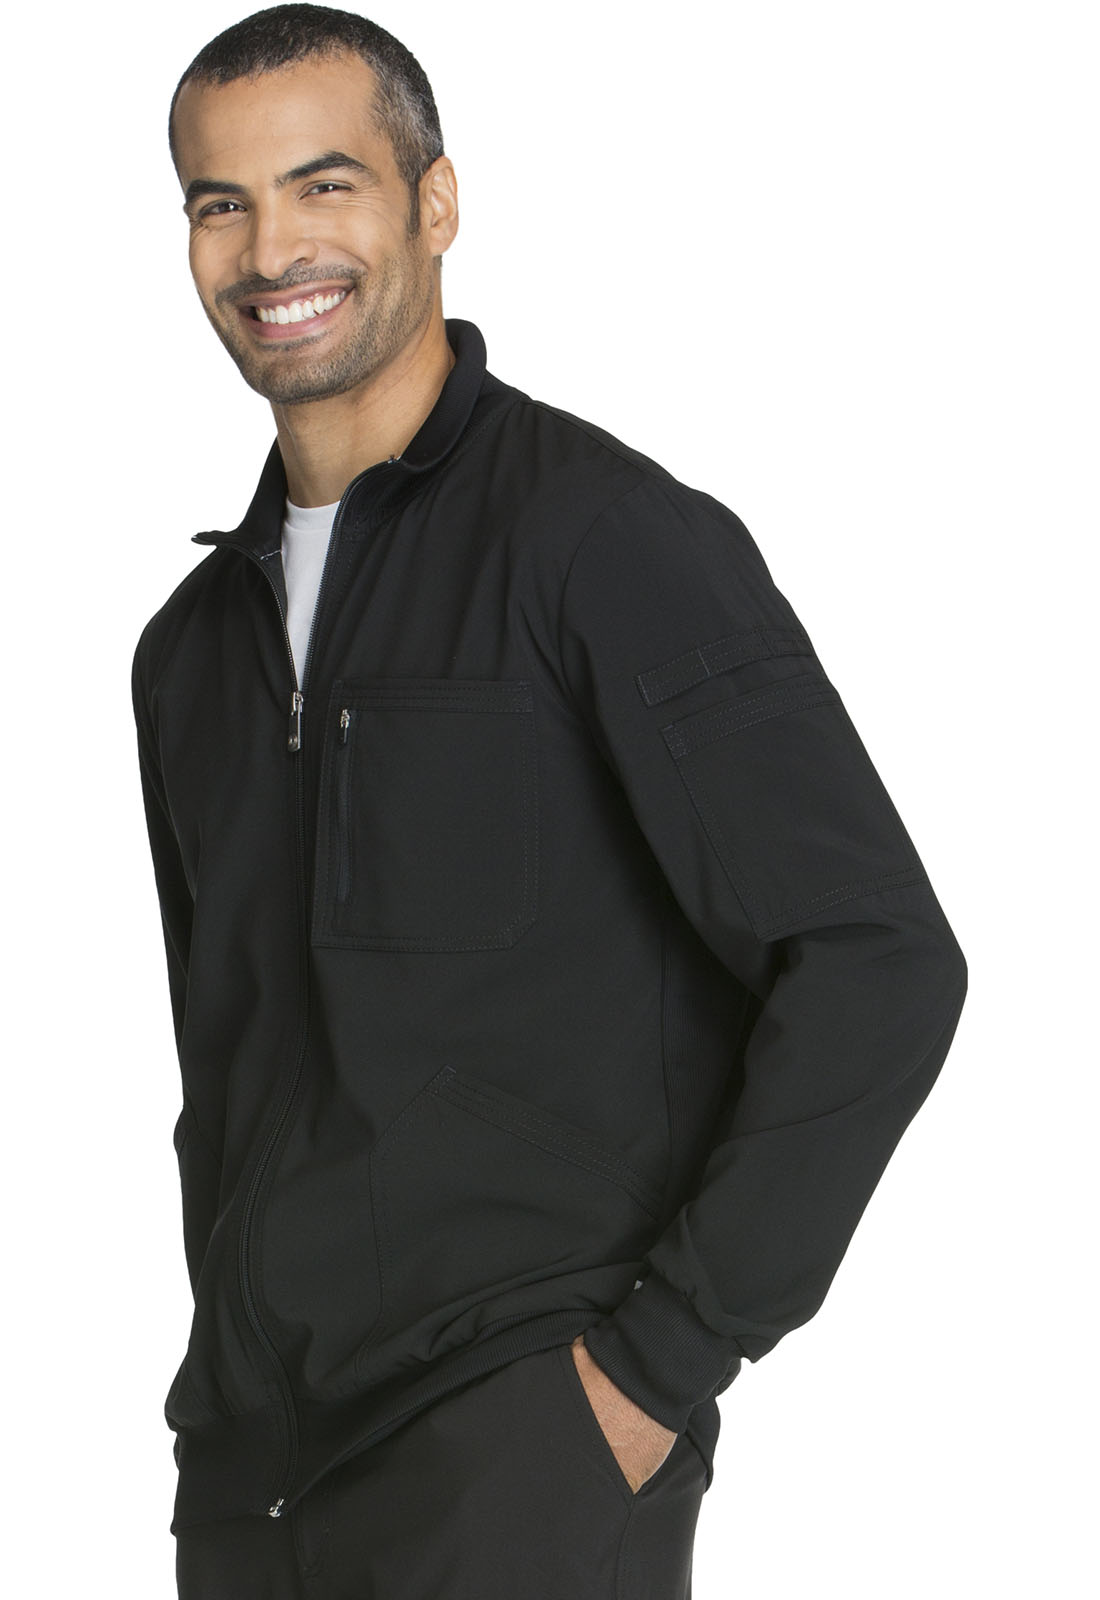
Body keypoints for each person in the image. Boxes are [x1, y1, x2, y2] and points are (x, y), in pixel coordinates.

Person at [132, 6, 968, 1596]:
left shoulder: (602, 542)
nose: (271, 250)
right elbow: (225, 1085)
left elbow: (876, 959)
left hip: (519, 1462)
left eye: (324, 185)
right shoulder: (189, 656)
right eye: (219, 202)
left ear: (434, 202)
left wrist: (656, 1372)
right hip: (251, 1486)